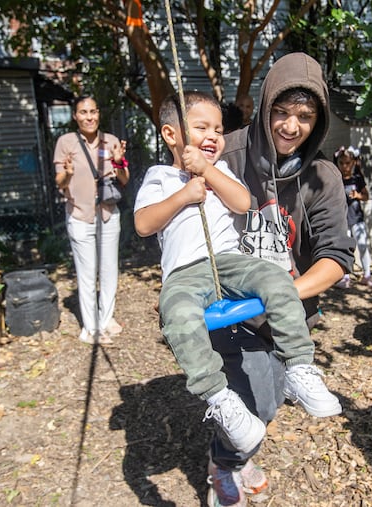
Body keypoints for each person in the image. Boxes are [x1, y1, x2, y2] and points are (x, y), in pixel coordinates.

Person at [134, 91, 340, 456]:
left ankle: (300, 368)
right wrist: (183, 195)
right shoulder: (160, 176)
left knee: (276, 279)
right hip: (183, 273)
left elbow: (243, 203)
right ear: (171, 135)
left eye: (218, 129)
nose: (214, 135)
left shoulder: (220, 170)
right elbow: (143, 224)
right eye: (201, 127)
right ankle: (221, 399)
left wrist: (208, 171)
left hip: (230, 263)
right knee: (177, 315)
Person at [205, 53, 356, 507]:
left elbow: (336, 256)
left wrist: (283, 294)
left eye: (305, 117)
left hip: (286, 314)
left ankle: (235, 454)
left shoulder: (322, 176)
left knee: (264, 405)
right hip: (228, 311)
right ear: (265, 105)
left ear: (319, 121)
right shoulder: (226, 154)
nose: (291, 126)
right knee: (256, 405)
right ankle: (222, 467)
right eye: (281, 112)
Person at [53, 95, 129, 345]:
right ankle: (90, 328)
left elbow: (124, 179)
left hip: (107, 213)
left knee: (109, 270)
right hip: (80, 215)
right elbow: (59, 182)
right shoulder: (66, 142)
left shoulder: (111, 141)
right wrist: (68, 174)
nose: (89, 117)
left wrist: (119, 162)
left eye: (93, 112)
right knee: (87, 273)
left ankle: (106, 318)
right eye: (83, 112)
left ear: (99, 113)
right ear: (75, 116)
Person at [334, 145, 372, 289]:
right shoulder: (336, 179)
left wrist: (358, 195)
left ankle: (367, 275)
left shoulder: (357, 179)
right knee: (345, 248)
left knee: (363, 246)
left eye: (347, 163)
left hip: (356, 218)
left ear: (353, 163)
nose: (344, 166)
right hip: (342, 220)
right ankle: (345, 277)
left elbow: (366, 196)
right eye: (342, 163)